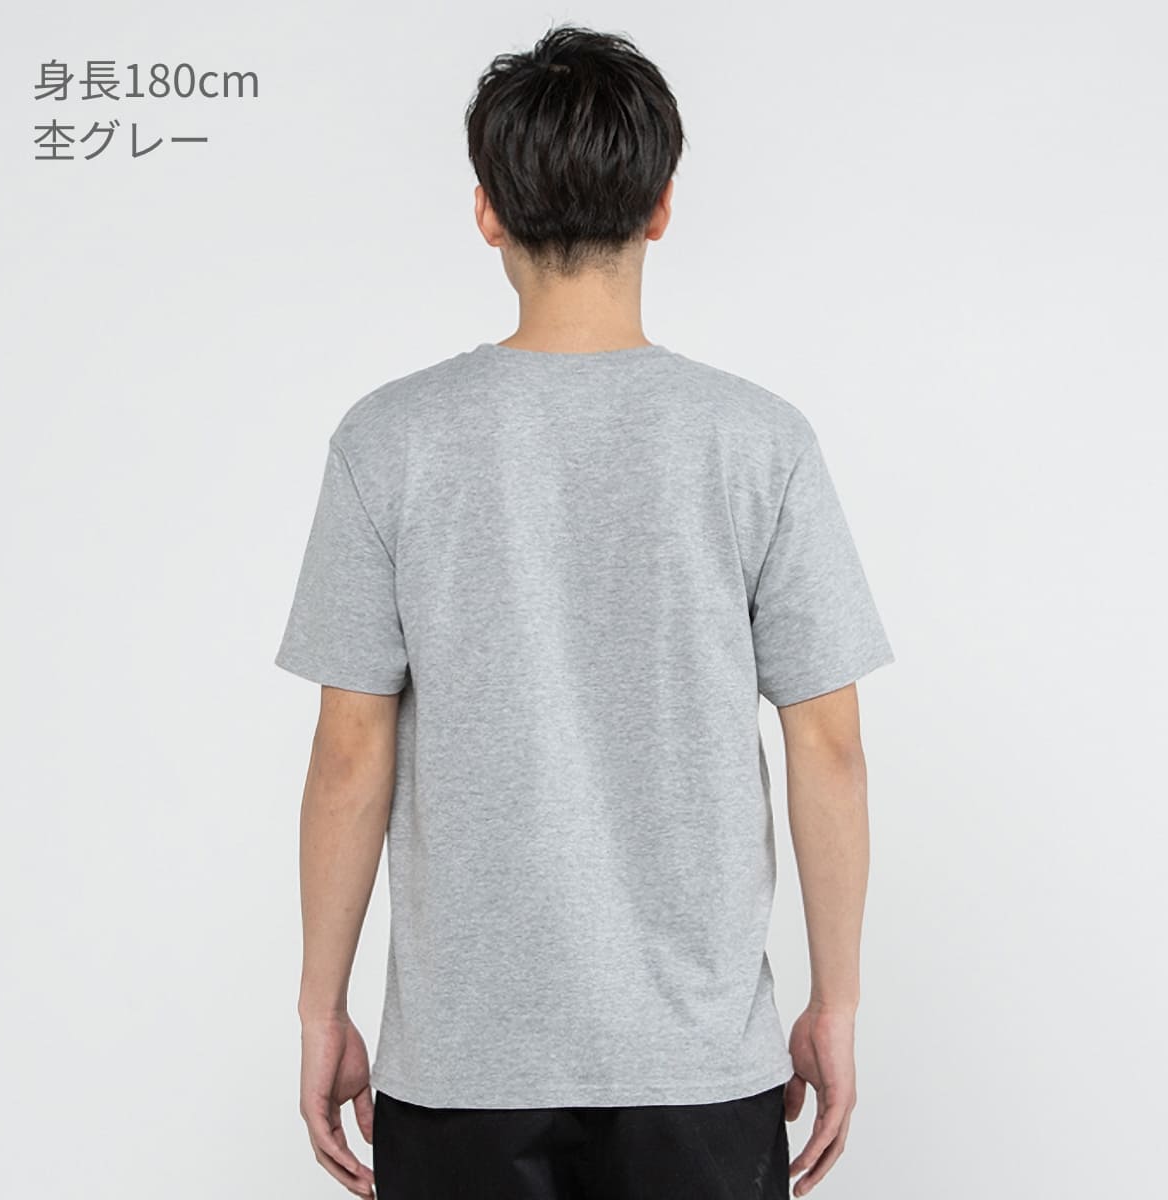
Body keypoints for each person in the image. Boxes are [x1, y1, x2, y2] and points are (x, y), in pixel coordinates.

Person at [274, 22, 894, 1200]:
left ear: (486, 213)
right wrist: (836, 1004)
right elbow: (830, 747)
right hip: (699, 1059)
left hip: (462, 1063)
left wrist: (322, 1010)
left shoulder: (389, 441)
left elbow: (349, 750)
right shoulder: (758, 441)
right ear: (661, 206)